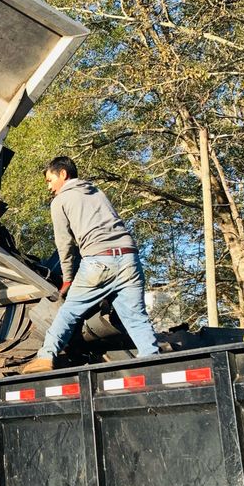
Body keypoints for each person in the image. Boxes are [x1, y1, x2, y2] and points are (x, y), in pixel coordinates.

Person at [22, 156, 159, 373]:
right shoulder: (97, 193)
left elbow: (64, 244)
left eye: (50, 180)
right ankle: (152, 360)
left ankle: (45, 356)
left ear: (63, 174)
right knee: (136, 317)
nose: (49, 187)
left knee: (69, 312)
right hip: (130, 259)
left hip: (99, 261)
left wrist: (67, 279)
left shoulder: (61, 200)